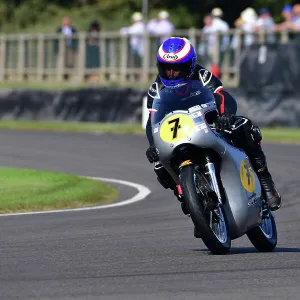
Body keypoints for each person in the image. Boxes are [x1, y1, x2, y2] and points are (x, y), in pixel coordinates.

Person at [145, 37, 281, 216]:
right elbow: (151, 121)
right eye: (167, 68)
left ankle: (265, 179)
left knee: (244, 126)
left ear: (190, 65)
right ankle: (187, 198)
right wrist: (152, 145)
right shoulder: (156, 89)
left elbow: (222, 96)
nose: (172, 73)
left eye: (178, 69)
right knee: (158, 165)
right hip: (177, 134)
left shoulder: (202, 75)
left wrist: (225, 116)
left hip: (208, 123)